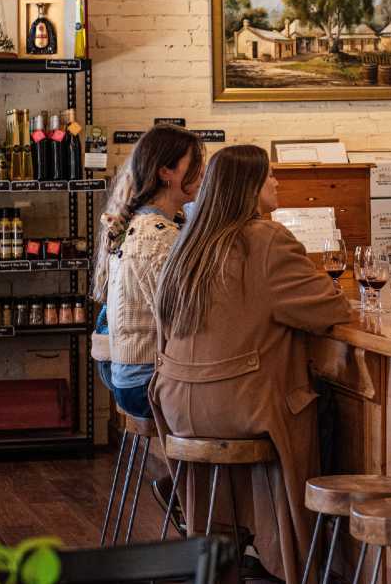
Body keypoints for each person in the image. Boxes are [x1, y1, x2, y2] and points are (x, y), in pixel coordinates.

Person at [150, 145, 350, 583]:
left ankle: (234, 537)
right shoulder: (267, 240)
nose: (277, 182)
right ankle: (310, 556)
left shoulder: (187, 241)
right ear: (248, 187)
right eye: (269, 175)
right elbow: (330, 309)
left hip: (177, 408)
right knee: (323, 408)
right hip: (239, 407)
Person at [91, 124, 204, 418]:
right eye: (195, 163)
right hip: (147, 383)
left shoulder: (146, 224)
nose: (203, 172)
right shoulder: (157, 236)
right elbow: (181, 320)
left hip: (134, 377)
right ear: (166, 172)